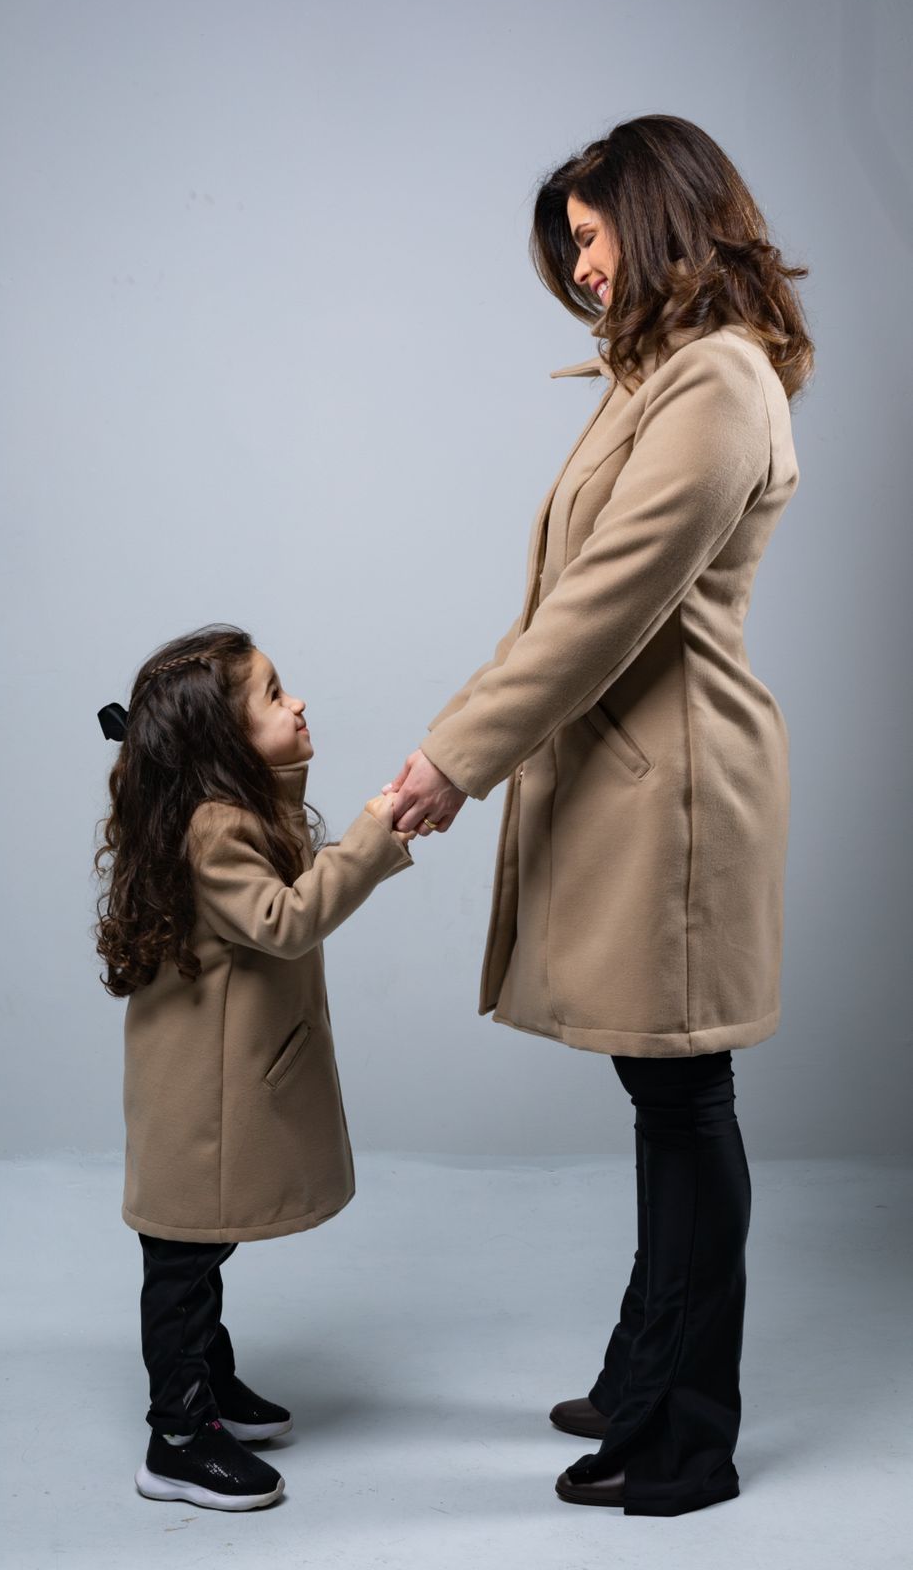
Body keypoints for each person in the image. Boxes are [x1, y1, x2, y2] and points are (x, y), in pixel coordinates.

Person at [385, 114, 814, 1517]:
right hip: (640, 780)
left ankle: (686, 1434)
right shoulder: (663, 378)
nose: (577, 269)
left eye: (587, 235)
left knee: (685, 1097)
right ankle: (645, 1377)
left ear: (658, 213)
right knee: (661, 1095)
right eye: (564, 248)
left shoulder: (713, 383)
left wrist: (452, 758)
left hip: (677, 794)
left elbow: (597, 611)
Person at [94, 623, 414, 1512]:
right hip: (203, 1103)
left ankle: (210, 1388)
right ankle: (178, 1436)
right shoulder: (217, 827)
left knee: (202, 1248)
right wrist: (375, 835)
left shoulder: (225, 812)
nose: (298, 700)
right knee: (184, 1260)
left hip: (210, 1088)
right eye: (274, 695)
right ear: (223, 741)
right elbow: (284, 920)